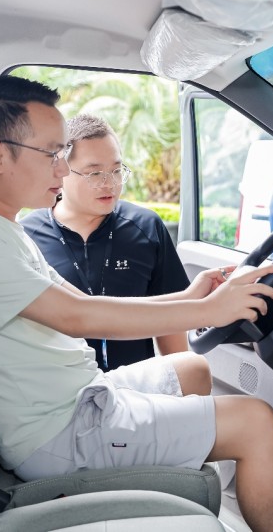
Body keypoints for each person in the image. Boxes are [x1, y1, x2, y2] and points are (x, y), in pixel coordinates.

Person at [0, 77, 273, 532]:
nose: (63, 170)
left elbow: (79, 301)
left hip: (79, 398)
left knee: (192, 368)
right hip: (60, 431)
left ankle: (171, 489)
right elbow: (78, 317)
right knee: (258, 422)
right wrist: (211, 311)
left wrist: (191, 296)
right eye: (52, 154)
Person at [20, 113, 189, 370]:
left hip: (135, 388)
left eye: (116, 170)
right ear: (61, 171)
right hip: (62, 388)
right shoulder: (27, 236)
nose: (110, 183)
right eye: (95, 173)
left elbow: (171, 322)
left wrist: (180, 381)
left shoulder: (146, 227)